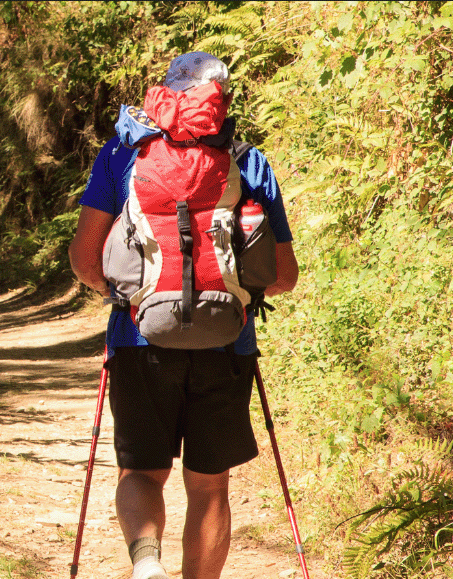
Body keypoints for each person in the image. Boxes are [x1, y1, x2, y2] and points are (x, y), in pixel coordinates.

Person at [68, 52, 300, 579]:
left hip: (138, 340)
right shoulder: (249, 161)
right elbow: (283, 275)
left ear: (166, 94)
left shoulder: (122, 154)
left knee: (141, 471)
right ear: (223, 101)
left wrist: (131, 298)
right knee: (210, 484)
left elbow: (85, 260)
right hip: (227, 344)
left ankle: (147, 567)